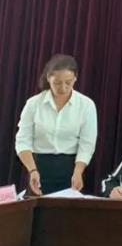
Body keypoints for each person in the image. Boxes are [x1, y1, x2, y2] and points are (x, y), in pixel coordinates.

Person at [15, 54, 97, 195]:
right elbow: (23, 141)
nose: (63, 88)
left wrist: (78, 172)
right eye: (57, 83)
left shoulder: (86, 105)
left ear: (75, 78)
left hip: (71, 168)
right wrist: (32, 170)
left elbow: (87, 143)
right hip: (38, 167)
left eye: (68, 82)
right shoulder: (34, 104)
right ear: (48, 78)